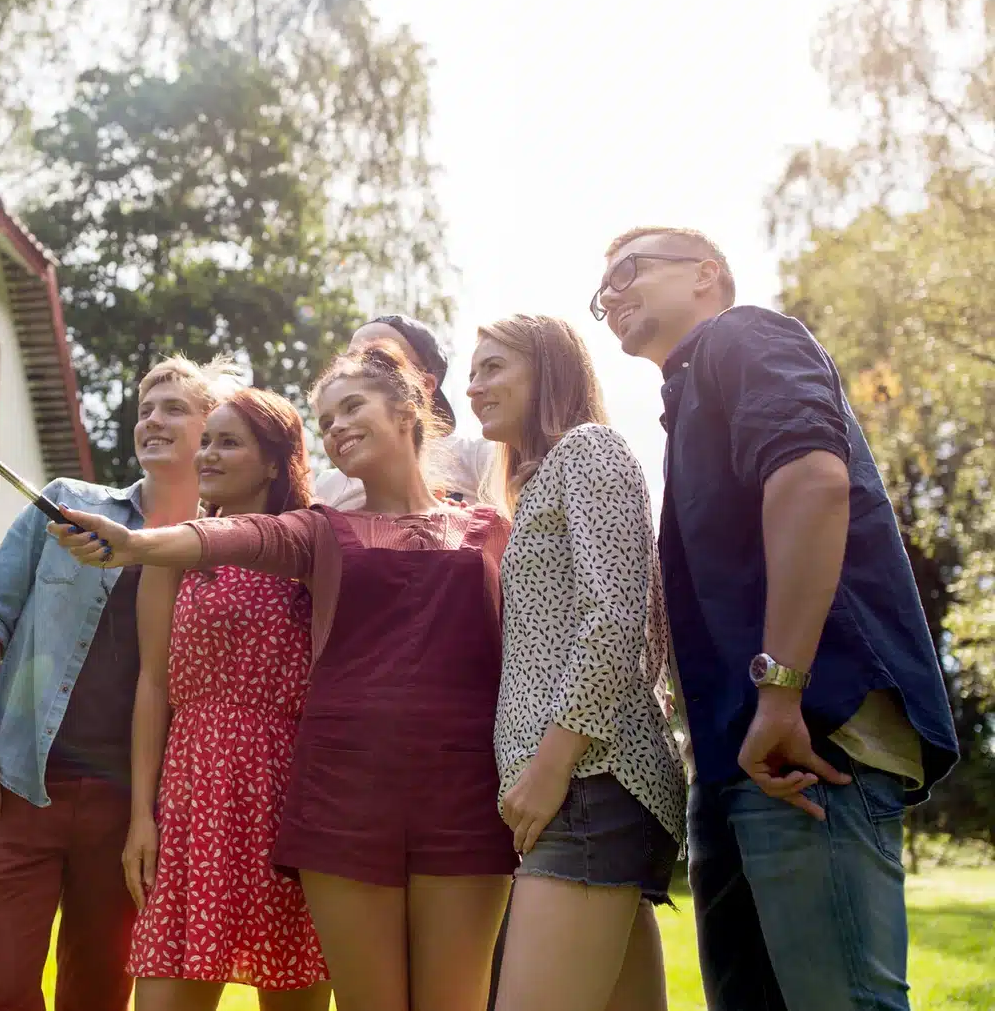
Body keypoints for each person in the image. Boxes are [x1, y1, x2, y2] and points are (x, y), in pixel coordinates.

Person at [48, 340, 518, 1011]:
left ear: (410, 406)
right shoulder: (322, 533)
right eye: (327, 418)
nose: (339, 427)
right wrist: (134, 544)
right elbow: (232, 539)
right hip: (291, 799)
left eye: (352, 406)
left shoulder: (488, 529)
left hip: (411, 793)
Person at [593, 225, 960, 1011]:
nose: (612, 294)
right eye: (602, 293)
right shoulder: (689, 399)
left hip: (810, 732)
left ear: (707, 274)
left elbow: (813, 482)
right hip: (741, 753)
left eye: (628, 270)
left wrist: (783, 689)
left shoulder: (744, 336)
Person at [0, 355, 235, 1011]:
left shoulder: (229, 550)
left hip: (133, 810)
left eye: (174, 407)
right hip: (17, 786)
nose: (153, 419)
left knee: (99, 993)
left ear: (212, 430)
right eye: (145, 409)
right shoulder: (65, 506)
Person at [466, 314, 686, 1011]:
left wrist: (549, 767)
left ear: (549, 370)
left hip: (588, 781)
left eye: (494, 367)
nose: (475, 387)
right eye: (472, 372)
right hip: (582, 790)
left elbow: (614, 619)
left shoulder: (589, 450)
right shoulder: (539, 485)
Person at [126, 386, 331, 1011]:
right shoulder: (173, 551)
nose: (207, 455)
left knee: (292, 990)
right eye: (206, 441)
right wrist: (141, 815)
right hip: (193, 791)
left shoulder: (315, 550)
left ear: (274, 462)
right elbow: (153, 684)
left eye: (228, 442)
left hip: (287, 795)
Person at [314, 314, 495, 507]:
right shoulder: (328, 487)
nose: (357, 372)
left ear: (424, 385)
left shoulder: (478, 458)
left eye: (377, 360)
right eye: (350, 361)